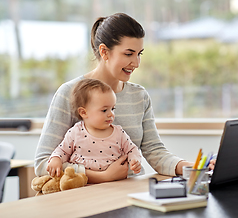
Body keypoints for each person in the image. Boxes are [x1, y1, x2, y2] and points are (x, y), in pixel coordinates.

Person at [34, 12, 193, 183]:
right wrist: (102, 177)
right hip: (85, 198)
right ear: (104, 52)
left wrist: (192, 168)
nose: (137, 63)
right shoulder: (69, 93)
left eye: (139, 53)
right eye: (128, 54)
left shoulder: (139, 96)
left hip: (131, 195)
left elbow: (155, 151)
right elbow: (43, 163)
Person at [46, 78, 142, 178]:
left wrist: (134, 160)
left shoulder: (119, 133)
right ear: (83, 112)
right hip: (82, 186)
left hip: (115, 186)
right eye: (104, 110)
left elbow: (132, 149)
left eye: (112, 109)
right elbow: (63, 150)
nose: (111, 114)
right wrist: (56, 159)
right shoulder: (76, 132)